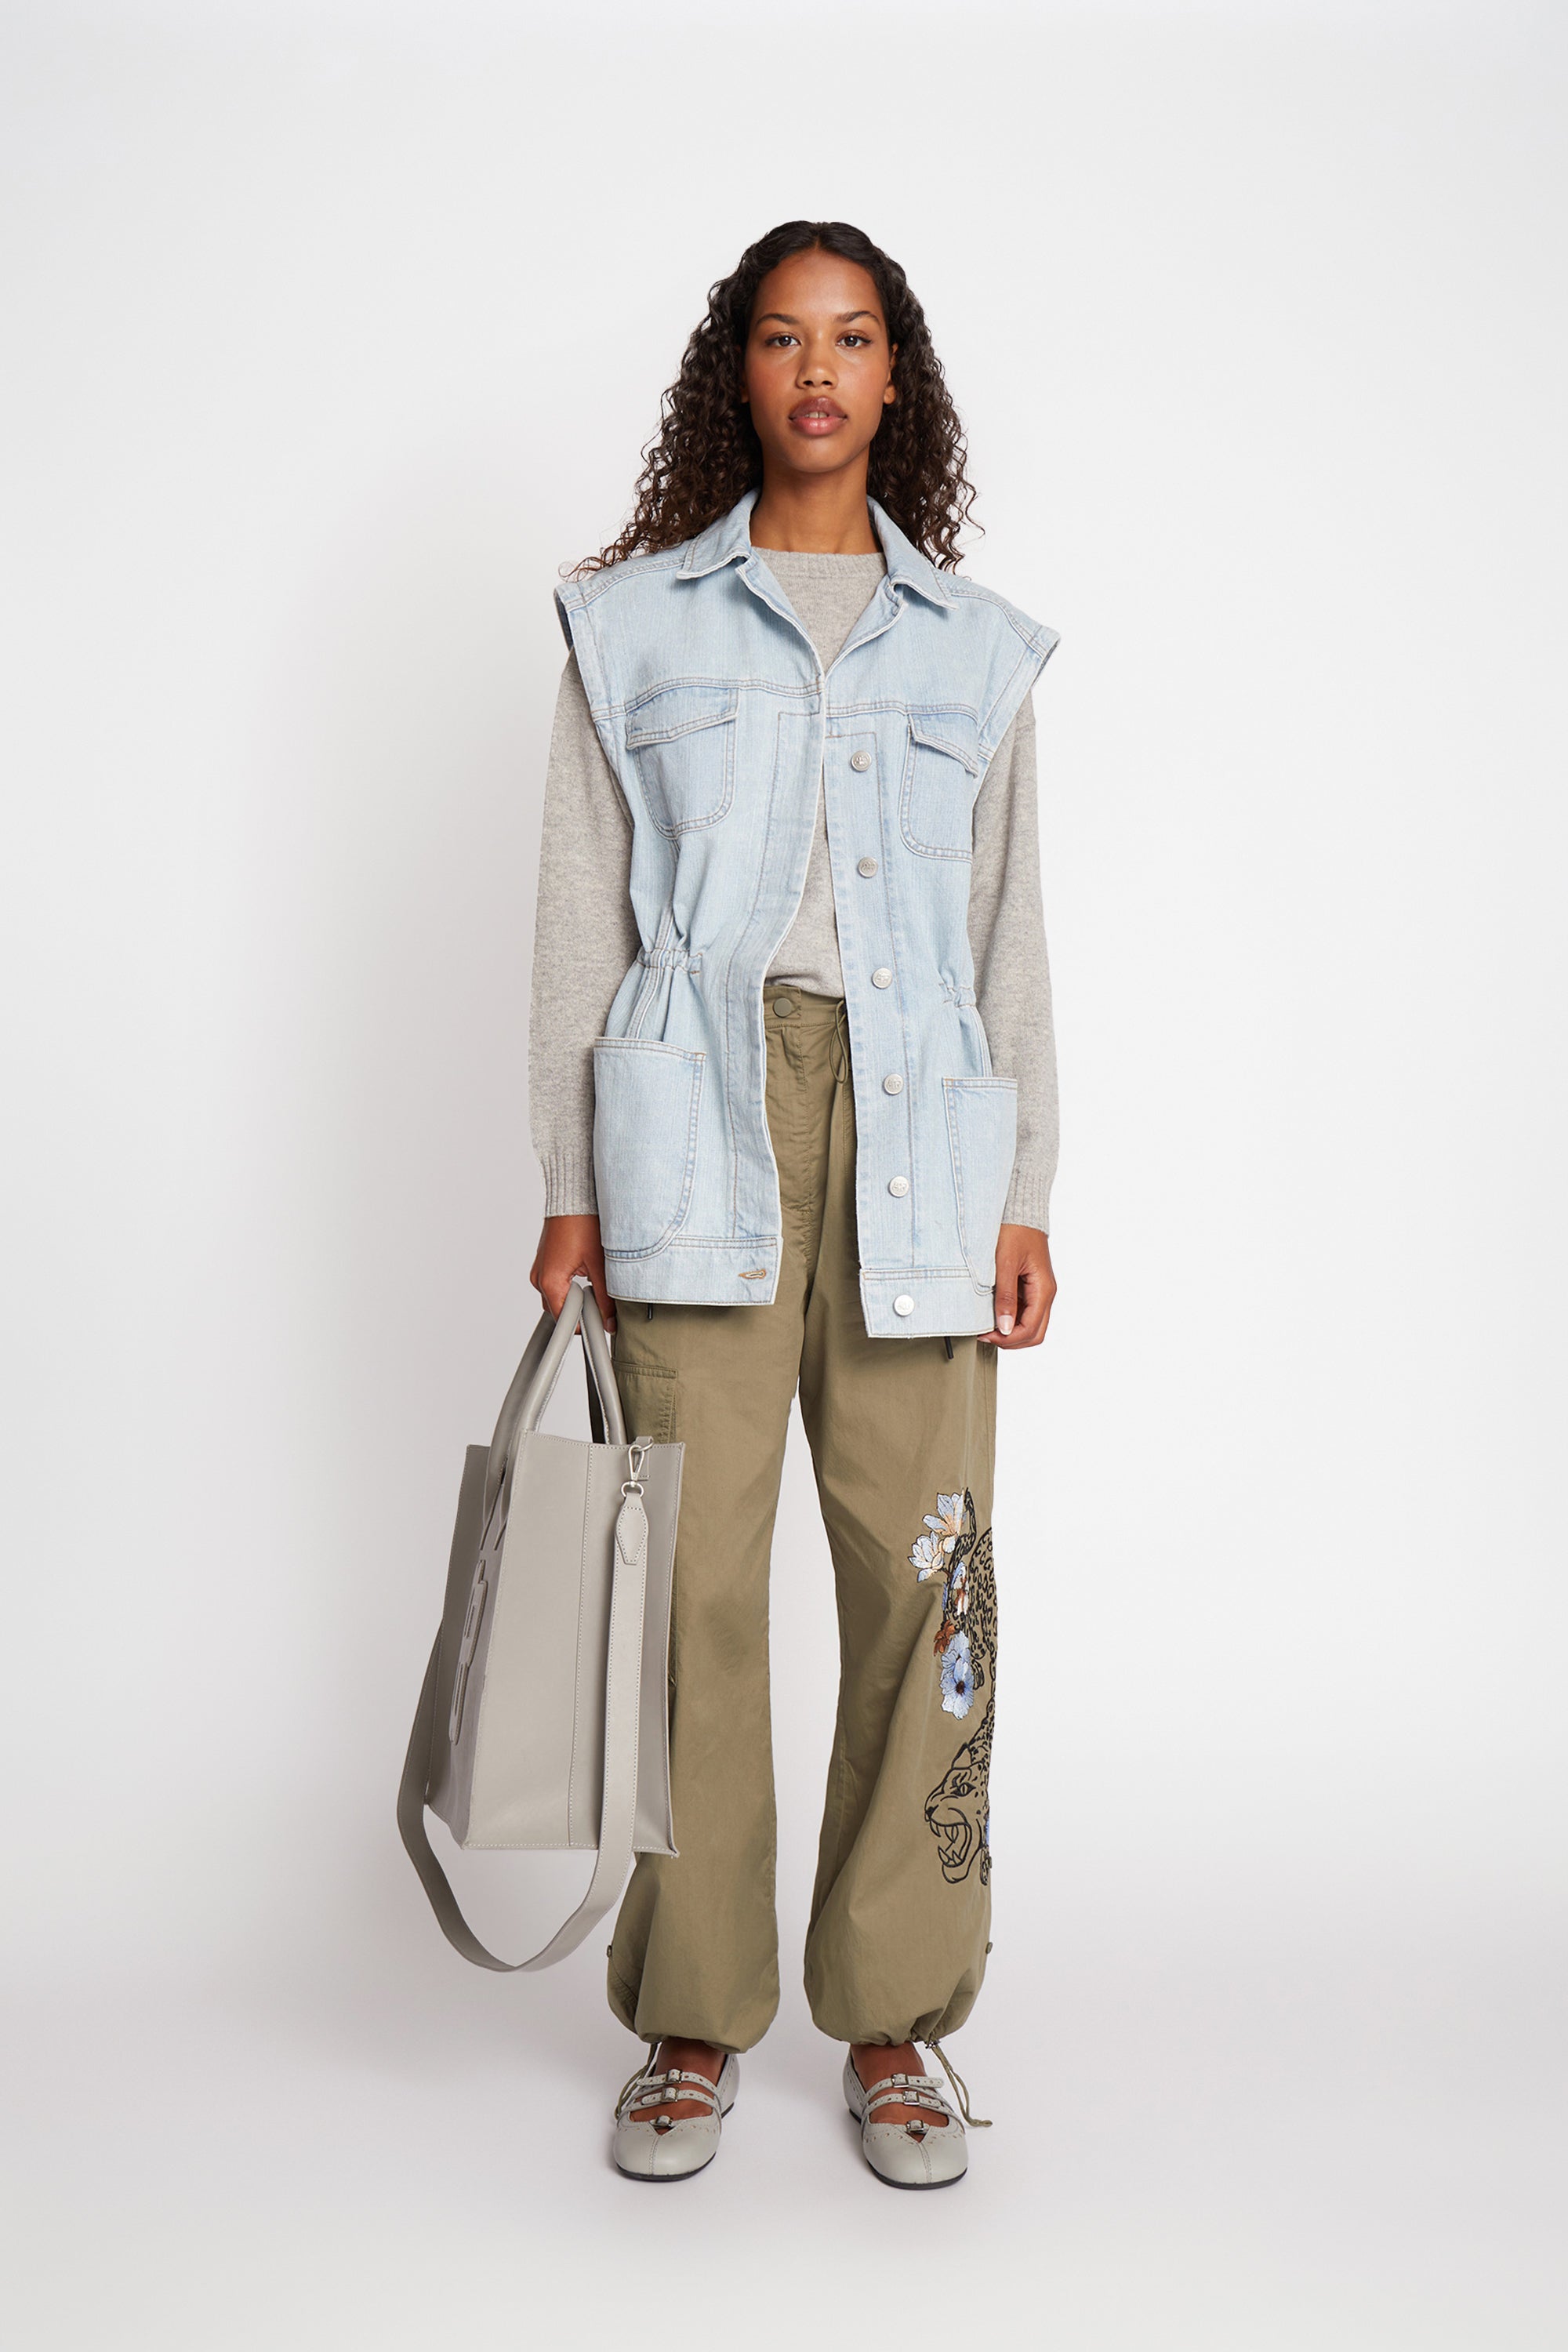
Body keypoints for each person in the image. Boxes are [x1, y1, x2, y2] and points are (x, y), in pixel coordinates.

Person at [527, 220, 1058, 2189]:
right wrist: (570, 1183)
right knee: (692, 1582)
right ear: (734, 373)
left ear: (894, 376)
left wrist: (1026, 1188)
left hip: (925, 1142)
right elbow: (578, 910)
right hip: (695, 1126)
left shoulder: (976, 648)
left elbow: (1009, 930)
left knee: (927, 1579)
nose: (816, 369)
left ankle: (897, 2018)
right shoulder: (629, 626)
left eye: (850, 337)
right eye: (779, 336)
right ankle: (691, 2016)